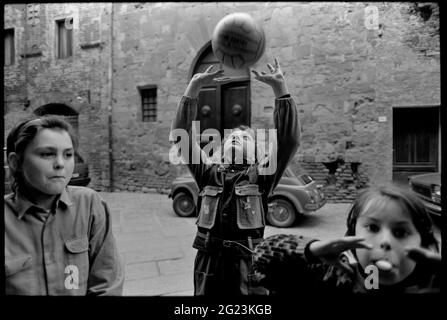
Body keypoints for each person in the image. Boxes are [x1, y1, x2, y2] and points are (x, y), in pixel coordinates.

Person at [170, 58, 300, 295]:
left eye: (246, 138)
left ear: (256, 154)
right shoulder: (208, 173)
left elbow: (288, 140)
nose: (237, 137)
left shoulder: (261, 176)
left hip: (247, 267)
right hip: (208, 265)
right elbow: (181, 135)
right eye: (231, 137)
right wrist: (193, 88)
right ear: (221, 148)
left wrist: (280, 89)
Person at [4, 116, 124, 295]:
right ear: (15, 162)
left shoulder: (89, 204)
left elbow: (107, 283)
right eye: (47, 154)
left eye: (68, 154)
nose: (60, 164)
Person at [253, 184, 441, 294]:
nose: (385, 241)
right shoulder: (333, 277)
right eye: (373, 227)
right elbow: (260, 259)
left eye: (400, 233)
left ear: (423, 243)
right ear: (352, 235)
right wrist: (311, 250)